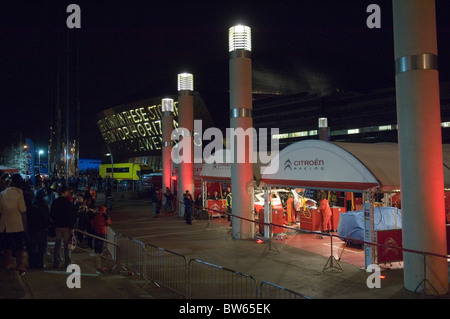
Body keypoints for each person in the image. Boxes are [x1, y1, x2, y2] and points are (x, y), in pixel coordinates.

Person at [0, 174, 27, 274]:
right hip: (16, 224)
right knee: (19, 246)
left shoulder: (2, 194)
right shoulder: (19, 193)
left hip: (5, 225)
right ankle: (20, 265)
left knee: (7, 246)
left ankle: (7, 263)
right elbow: (23, 209)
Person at [50, 185, 77, 268]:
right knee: (67, 245)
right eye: (67, 191)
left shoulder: (55, 202)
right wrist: (72, 227)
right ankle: (67, 262)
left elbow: (52, 213)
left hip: (57, 226)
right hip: (66, 227)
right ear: (63, 192)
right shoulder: (67, 203)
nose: (68, 192)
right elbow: (71, 216)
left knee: (57, 244)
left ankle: (56, 262)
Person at [27, 189, 51, 269]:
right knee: (41, 247)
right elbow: (47, 217)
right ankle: (40, 263)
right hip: (42, 229)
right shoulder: (44, 205)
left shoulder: (32, 204)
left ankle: (32, 263)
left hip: (32, 229)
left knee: (33, 247)